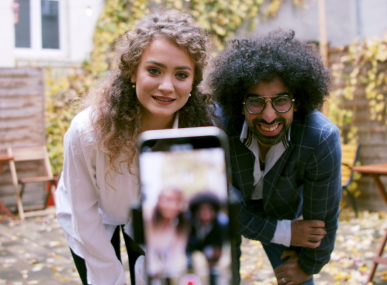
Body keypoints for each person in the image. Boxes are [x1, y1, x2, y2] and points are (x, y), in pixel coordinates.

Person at [55, 9, 216, 285]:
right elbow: (85, 216)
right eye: (154, 70)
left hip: (151, 216)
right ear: (132, 72)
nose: (167, 86)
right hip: (89, 216)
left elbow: (177, 221)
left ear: (193, 82)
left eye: (181, 74)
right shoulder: (86, 132)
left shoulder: (197, 135)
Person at [206, 29, 342, 285]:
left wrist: (309, 266)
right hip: (231, 218)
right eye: (256, 102)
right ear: (239, 103)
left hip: (286, 210)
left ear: (298, 102)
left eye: (281, 101)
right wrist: (283, 232)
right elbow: (219, 204)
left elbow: (322, 220)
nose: (269, 116)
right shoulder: (216, 127)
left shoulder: (320, 138)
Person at [145, 187, 190, 280]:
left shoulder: (181, 225)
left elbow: (177, 253)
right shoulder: (147, 219)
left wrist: (168, 273)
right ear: (159, 201)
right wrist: (155, 271)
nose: (172, 206)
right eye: (168, 200)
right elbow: (148, 249)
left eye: (177, 201)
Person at [186, 192, 229, 274]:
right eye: (202, 209)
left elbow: (223, 247)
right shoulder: (189, 224)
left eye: (209, 209)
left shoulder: (222, 224)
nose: (205, 213)